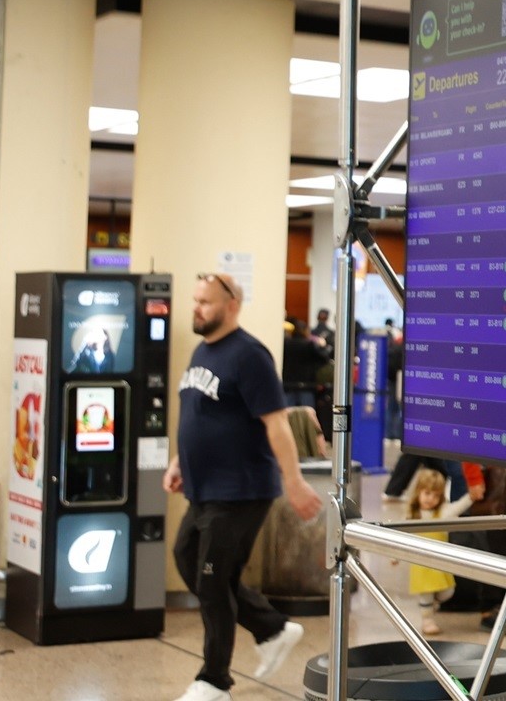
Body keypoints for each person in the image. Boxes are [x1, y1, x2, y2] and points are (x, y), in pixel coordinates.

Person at [164, 272, 319, 701]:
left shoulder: (250, 356)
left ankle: (214, 681)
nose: (196, 308)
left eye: (205, 302)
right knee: (187, 557)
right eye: (195, 300)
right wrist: (180, 460)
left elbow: (277, 424)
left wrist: (294, 482)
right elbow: (201, 414)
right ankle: (271, 628)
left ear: (232, 305)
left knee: (213, 582)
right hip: (204, 487)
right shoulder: (202, 349)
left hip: (241, 490)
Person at [393, 467, 480, 635]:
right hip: (421, 565)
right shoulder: (412, 516)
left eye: (436, 495)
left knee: (447, 592)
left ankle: (433, 604)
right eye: (427, 493)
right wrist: (397, 556)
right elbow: (401, 537)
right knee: (426, 593)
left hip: (440, 564)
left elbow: (458, 507)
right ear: (418, 492)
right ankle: (427, 620)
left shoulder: (442, 513)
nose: (430, 499)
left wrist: (471, 496)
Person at [280, 319, 331, 408]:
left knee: (288, 414)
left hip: (288, 384)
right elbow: (324, 359)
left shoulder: (285, 344)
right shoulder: (309, 345)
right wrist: (324, 346)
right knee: (308, 415)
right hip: (307, 385)